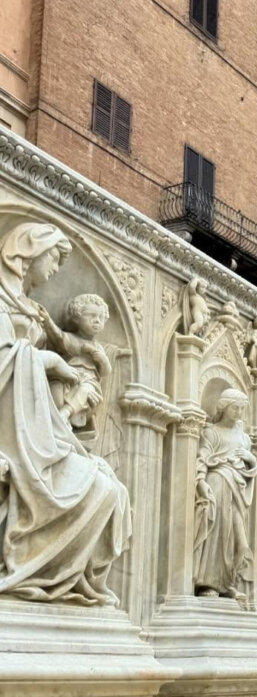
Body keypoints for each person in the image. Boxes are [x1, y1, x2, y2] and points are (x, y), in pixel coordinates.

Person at [0, 222, 131, 605]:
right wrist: (47, 362)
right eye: (54, 258)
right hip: (15, 431)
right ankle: (38, 575)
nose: (57, 269)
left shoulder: (25, 306)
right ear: (28, 249)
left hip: (38, 424)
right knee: (100, 487)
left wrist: (60, 383)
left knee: (110, 487)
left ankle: (63, 580)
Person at [193, 388, 257, 600]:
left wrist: (250, 459)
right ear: (224, 407)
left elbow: (251, 467)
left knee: (240, 543)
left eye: (242, 408)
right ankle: (209, 583)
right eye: (235, 408)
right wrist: (201, 481)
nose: (239, 412)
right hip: (218, 484)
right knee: (217, 536)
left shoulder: (244, 438)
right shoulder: (211, 432)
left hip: (237, 489)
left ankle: (228, 582)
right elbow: (202, 458)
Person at [40, 293, 112, 433]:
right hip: (70, 377)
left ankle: (65, 413)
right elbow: (58, 337)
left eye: (101, 317)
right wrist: (48, 321)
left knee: (85, 390)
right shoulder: (72, 339)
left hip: (90, 384)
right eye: (91, 315)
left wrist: (102, 359)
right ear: (77, 318)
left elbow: (106, 371)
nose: (97, 321)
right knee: (56, 384)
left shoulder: (98, 348)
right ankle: (54, 419)